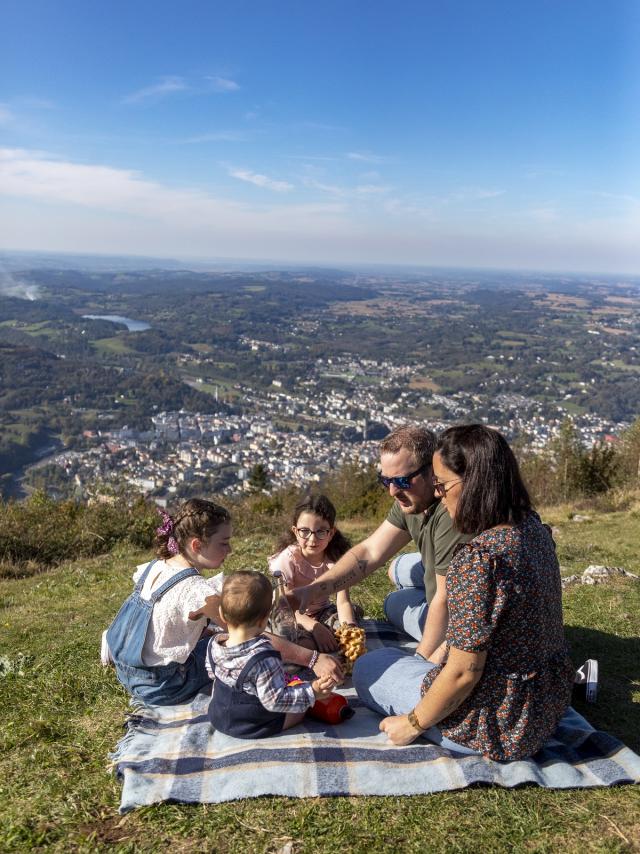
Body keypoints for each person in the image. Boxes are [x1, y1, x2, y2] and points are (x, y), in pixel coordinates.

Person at [353, 425, 575, 760]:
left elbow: (463, 672)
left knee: (371, 665)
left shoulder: (479, 559)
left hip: (497, 726)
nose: (439, 495)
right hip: (544, 708)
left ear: (473, 483)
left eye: (442, 485)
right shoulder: (533, 528)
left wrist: (411, 724)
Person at [104, 498, 343, 706]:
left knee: (214, 631)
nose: (229, 550)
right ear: (196, 544)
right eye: (223, 543)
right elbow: (246, 635)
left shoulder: (156, 568)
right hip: (164, 685)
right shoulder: (194, 591)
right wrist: (312, 658)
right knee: (234, 642)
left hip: (129, 674)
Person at [293, 424, 469, 664]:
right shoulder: (409, 502)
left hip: (450, 606)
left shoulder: (450, 515)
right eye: (385, 481)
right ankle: (413, 572)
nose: (393, 491)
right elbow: (371, 551)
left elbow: (444, 600)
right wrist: (314, 589)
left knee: (371, 664)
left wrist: (419, 664)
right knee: (392, 597)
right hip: (435, 576)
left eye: (402, 481)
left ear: (432, 472)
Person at [207, 571, 335, 738]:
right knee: (301, 710)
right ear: (264, 620)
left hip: (218, 715)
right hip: (252, 724)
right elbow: (275, 701)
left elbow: (212, 673)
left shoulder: (215, 642)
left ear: (222, 613)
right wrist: (312, 692)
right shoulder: (264, 658)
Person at [268, 494, 363, 653]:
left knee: (346, 630)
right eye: (305, 531)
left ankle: (328, 640)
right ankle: (313, 644)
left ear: (331, 533)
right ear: (295, 531)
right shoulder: (287, 560)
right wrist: (315, 628)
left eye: (320, 532)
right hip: (292, 616)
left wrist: (350, 632)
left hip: (323, 612)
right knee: (294, 642)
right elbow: (284, 608)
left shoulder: (336, 562)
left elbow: (343, 602)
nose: (312, 539)